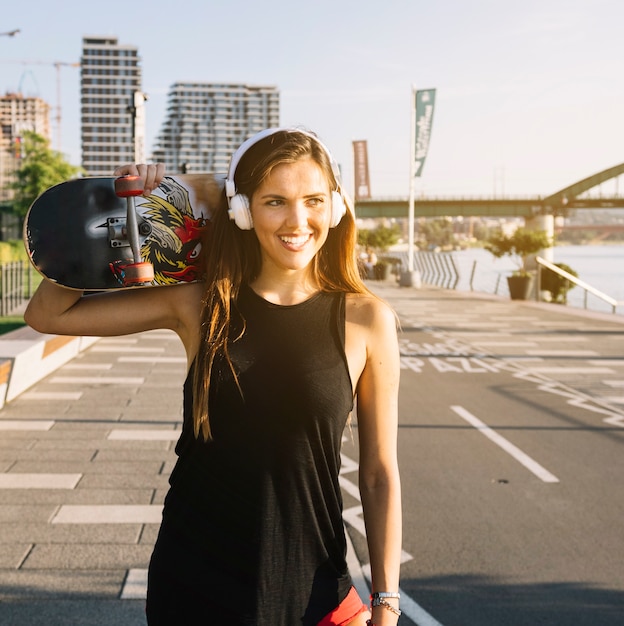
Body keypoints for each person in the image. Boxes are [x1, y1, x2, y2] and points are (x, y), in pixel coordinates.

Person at [24, 127, 402, 626]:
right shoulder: (201, 303)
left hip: (316, 589)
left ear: (334, 208)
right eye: (274, 202)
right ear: (243, 212)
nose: (297, 220)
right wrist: (130, 213)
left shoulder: (366, 320)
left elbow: (377, 474)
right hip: (195, 582)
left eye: (313, 200)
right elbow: (49, 315)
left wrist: (386, 601)